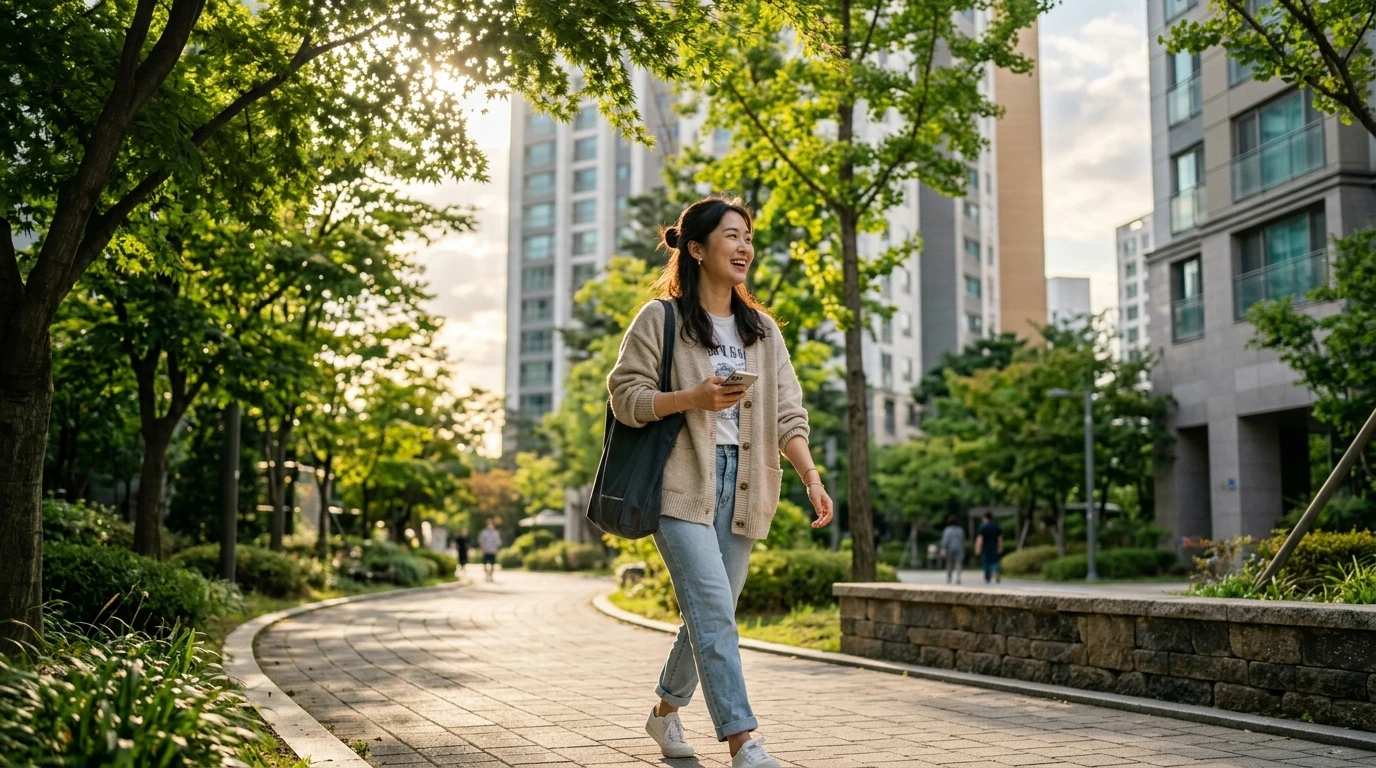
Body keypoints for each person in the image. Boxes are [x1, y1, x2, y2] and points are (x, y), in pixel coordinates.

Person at [607, 196, 833, 768]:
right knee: (712, 608)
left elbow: (788, 413)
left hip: (746, 486)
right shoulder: (660, 319)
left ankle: (664, 714)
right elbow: (625, 397)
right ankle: (744, 742)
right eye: (731, 236)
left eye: (748, 236)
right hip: (680, 482)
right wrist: (693, 399)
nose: (744, 247)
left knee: (714, 614)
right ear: (697, 248)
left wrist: (810, 475)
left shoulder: (763, 332)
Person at [974, 512, 1003, 584]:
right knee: (995, 562)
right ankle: (996, 571)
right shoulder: (996, 526)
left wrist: (977, 548)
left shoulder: (983, 527)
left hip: (985, 547)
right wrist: (999, 547)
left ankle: (987, 577)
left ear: (985, 518)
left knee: (986, 563)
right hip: (994, 547)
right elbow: (1000, 538)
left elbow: (980, 538)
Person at [939, 515, 966, 585]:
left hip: (950, 549)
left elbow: (945, 540)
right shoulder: (960, 530)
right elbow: (962, 540)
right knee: (958, 564)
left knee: (949, 564)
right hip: (959, 548)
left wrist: (943, 549)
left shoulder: (947, 530)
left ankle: (949, 578)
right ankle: (958, 577)